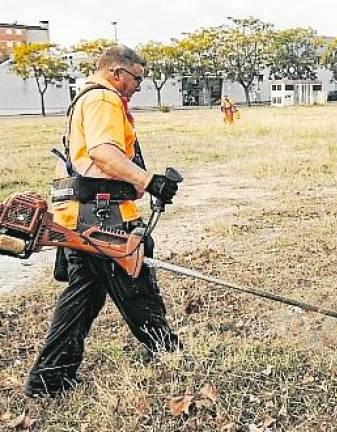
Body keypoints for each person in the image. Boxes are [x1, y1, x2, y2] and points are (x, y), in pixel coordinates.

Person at [25, 46, 182, 398]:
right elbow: (102, 152)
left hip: (83, 216)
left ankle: (47, 380)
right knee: (137, 287)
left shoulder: (87, 98)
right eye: (136, 78)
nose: (138, 86)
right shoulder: (104, 99)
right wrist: (149, 180)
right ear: (116, 72)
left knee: (82, 298)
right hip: (104, 219)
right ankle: (169, 353)